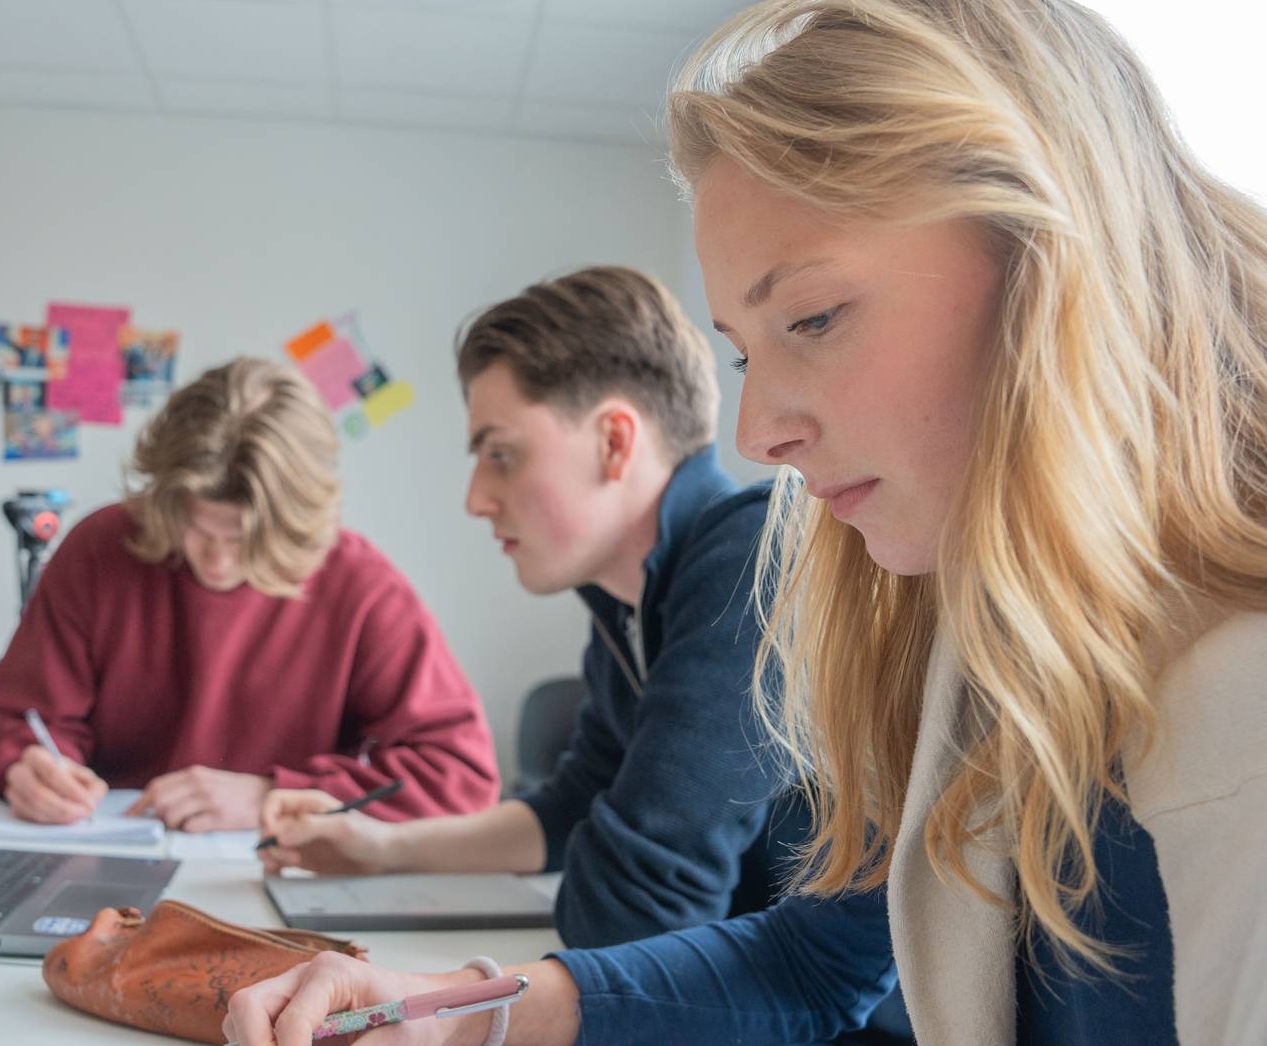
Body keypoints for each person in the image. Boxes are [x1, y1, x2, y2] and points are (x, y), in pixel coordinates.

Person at [224, 0, 1267, 1045]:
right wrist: (469, 1014)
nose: (757, 430)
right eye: (750, 347)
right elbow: (816, 956)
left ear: (1054, 264)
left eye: (812, 316)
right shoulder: (989, 634)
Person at [259, 268, 907, 1040]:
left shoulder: (747, 559)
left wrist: (461, 1001)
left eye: (500, 453)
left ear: (613, 440)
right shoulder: (628, 605)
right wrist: (380, 850)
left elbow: (633, 910)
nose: (475, 496)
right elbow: (570, 812)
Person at [0, 357, 500, 829]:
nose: (218, 562)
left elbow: (459, 774)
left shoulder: (358, 584)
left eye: (247, 540)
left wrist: (274, 795)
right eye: (198, 529)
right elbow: (19, 721)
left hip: (282, 880)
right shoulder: (103, 549)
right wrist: (28, 765)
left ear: (300, 525)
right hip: (108, 870)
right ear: (165, 498)